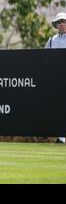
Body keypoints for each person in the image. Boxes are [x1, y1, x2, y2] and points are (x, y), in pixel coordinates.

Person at [45, 12, 66, 144]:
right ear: (56, 25)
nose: (62, 24)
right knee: (59, 109)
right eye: (60, 22)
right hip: (57, 80)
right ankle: (62, 137)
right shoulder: (52, 40)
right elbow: (44, 57)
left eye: (64, 21)